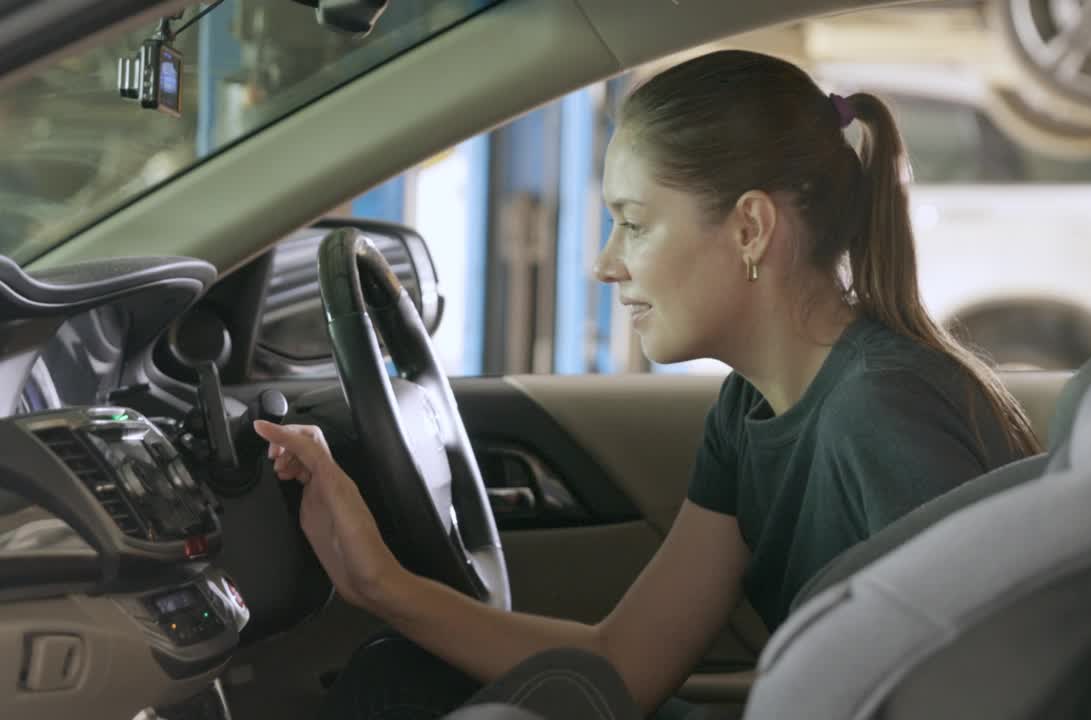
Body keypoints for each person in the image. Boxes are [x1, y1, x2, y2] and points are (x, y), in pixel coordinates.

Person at [253, 49, 1042, 720]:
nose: (605, 262)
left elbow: (988, 686)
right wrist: (378, 583)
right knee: (408, 675)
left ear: (750, 228)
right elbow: (623, 663)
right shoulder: (750, 407)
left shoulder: (884, 412)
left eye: (633, 222)